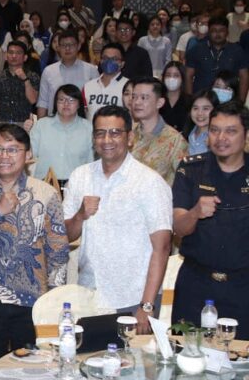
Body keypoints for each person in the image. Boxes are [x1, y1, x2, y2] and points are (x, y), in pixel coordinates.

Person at [63, 105, 171, 328]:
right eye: (100, 133)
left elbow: (162, 247)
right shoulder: (80, 176)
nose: (107, 140)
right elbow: (65, 235)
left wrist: (147, 306)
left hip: (133, 299)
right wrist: (80, 216)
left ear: (130, 137)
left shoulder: (149, 182)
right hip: (89, 295)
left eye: (115, 133)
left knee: (134, 363)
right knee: (88, 361)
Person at [0, 124, 69, 359]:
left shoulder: (45, 193)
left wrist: (54, 300)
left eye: (13, 150)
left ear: (28, 156)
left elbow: (58, 249)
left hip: (31, 301)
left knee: (29, 370)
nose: (4, 156)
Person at [171, 102, 249, 323]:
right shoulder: (191, 169)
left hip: (243, 287)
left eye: (231, 131)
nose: (221, 137)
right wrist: (195, 212)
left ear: (246, 135)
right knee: (186, 353)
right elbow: (179, 228)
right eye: (215, 130)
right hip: (196, 284)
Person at [128, 77, 189, 185]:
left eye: (144, 98)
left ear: (159, 103)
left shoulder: (176, 141)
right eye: (134, 97)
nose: (137, 102)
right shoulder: (127, 134)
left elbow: (185, 182)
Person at [30, 84, 94, 185]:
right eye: (61, 100)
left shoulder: (89, 128)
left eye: (71, 100)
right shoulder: (41, 125)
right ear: (56, 103)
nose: (66, 104)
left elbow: (92, 163)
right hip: (44, 185)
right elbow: (29, 155)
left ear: (79, 104)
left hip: (75, 186)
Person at [36, 29, 98, 118]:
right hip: (54, 124)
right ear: (58, 47)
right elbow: (43, 102)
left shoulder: (91, 70)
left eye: (71, 45)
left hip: (83, 124)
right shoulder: (48, 71)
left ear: (79, 46)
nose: (67, 48)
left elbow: (95, 103)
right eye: (64, 45)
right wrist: (40, 127)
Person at [185, 16, 249, 101]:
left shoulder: (237, 50)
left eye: (221, 31)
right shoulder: (196, 50)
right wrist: (189, 100)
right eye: (214, 31)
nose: (217, 34)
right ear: (209, 32)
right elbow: (188, 76)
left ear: (227, 32)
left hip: (228, 101)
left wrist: (241, 101)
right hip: (202, 99)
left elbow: (244, 76)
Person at [0, 41, 39, 125]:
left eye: (18, 53)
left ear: (25, 57)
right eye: (11, 52)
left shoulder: (33, 76)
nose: (14, 56)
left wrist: (25, 79)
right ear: (6, 56)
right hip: (2, 122)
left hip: (25, 123)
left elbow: (33, 100)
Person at [82, 42, 128, 118]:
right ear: (100, 60)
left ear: (122, 64)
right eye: (105, 58)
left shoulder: (129, 86)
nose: (109, 61)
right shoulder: (88, 86)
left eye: (114, 59)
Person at [183, 89, 218, 156]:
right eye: (195, 108)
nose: (200, 113)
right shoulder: (186, 134)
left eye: (205, 108)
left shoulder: (218, 138)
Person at [160, 61, 192, 130]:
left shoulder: (190, 101)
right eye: (168, 75)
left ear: (182, 78)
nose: (171, 79)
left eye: (176, 75)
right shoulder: (157, 99)